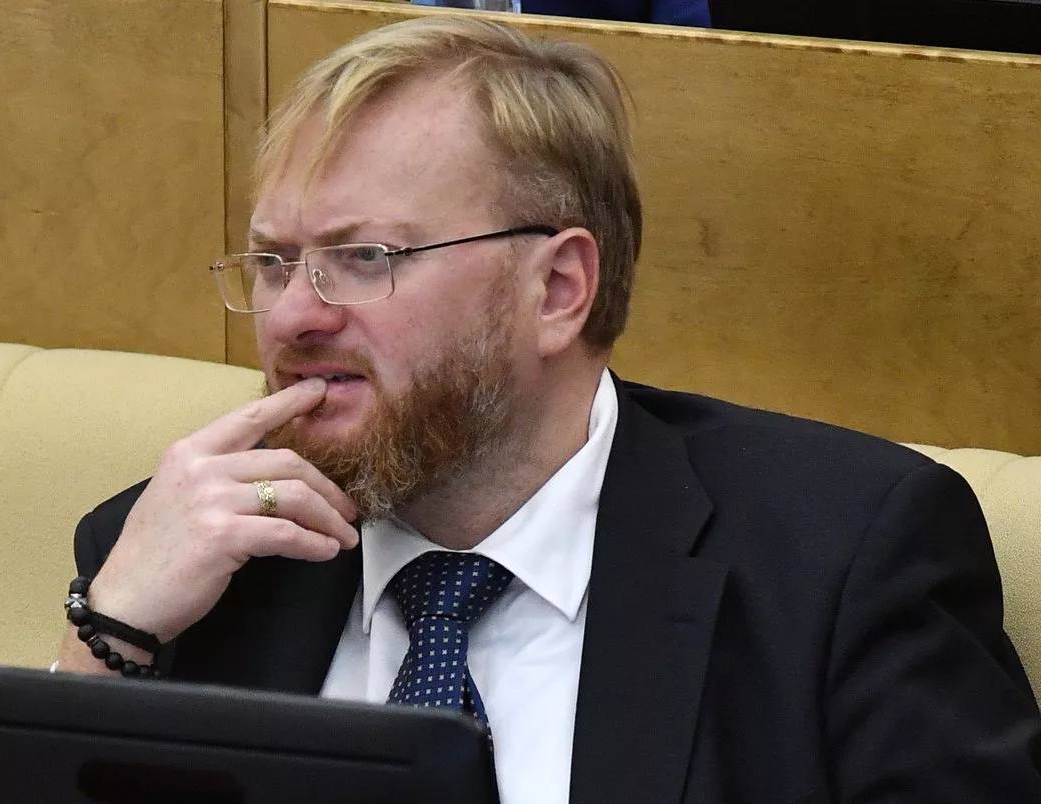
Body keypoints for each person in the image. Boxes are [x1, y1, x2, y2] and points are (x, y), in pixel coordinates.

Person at [57, 15, 1041, 803]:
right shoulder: (191, 562)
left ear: (559, 289)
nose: (294, 315)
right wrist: (108, 635)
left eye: (365, 257)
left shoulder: (841, 562)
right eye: (275, 262)